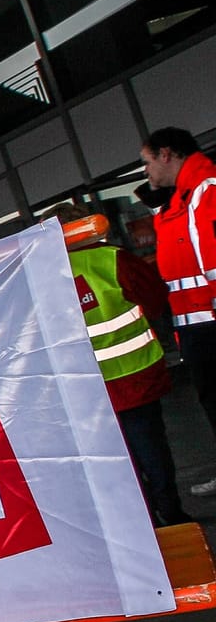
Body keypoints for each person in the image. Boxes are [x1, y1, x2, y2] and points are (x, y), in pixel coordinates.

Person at [56, 205, 191, 525]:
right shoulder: (113, 259)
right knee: (153, 451)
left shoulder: (45, 276)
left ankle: (145, 526)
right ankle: (172, 516)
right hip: (135, 378)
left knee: (118, 463)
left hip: (86, 392)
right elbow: (156, 299)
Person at [138, 126, 216, 496]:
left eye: (148, 162)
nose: (147, 172)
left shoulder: (205, 190)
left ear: (166, 154)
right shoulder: (183, 197)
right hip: (197, 325)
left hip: (209, 322)